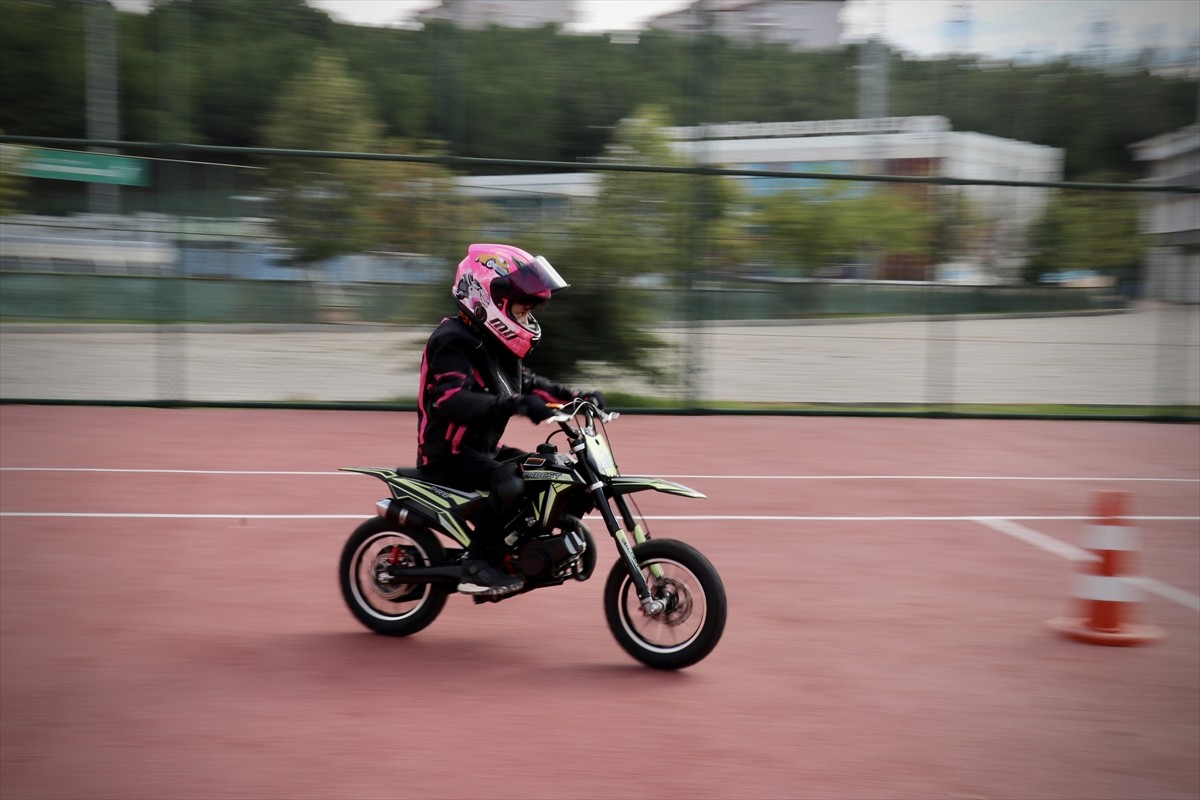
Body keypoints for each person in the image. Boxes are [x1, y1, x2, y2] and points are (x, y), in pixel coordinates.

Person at [417, 243, 605, 597]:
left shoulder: (495, 344)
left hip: (484, 449)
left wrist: (577, 397)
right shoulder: (452, 341)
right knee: (511, 483)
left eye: (529, 311)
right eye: (521, 309)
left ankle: (527, 545)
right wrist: (516, 405)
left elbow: (531, 384)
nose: (526, 319)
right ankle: (477, 564)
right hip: (447, 454)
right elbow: (451, 400)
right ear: (486, 296)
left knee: (549, 470)